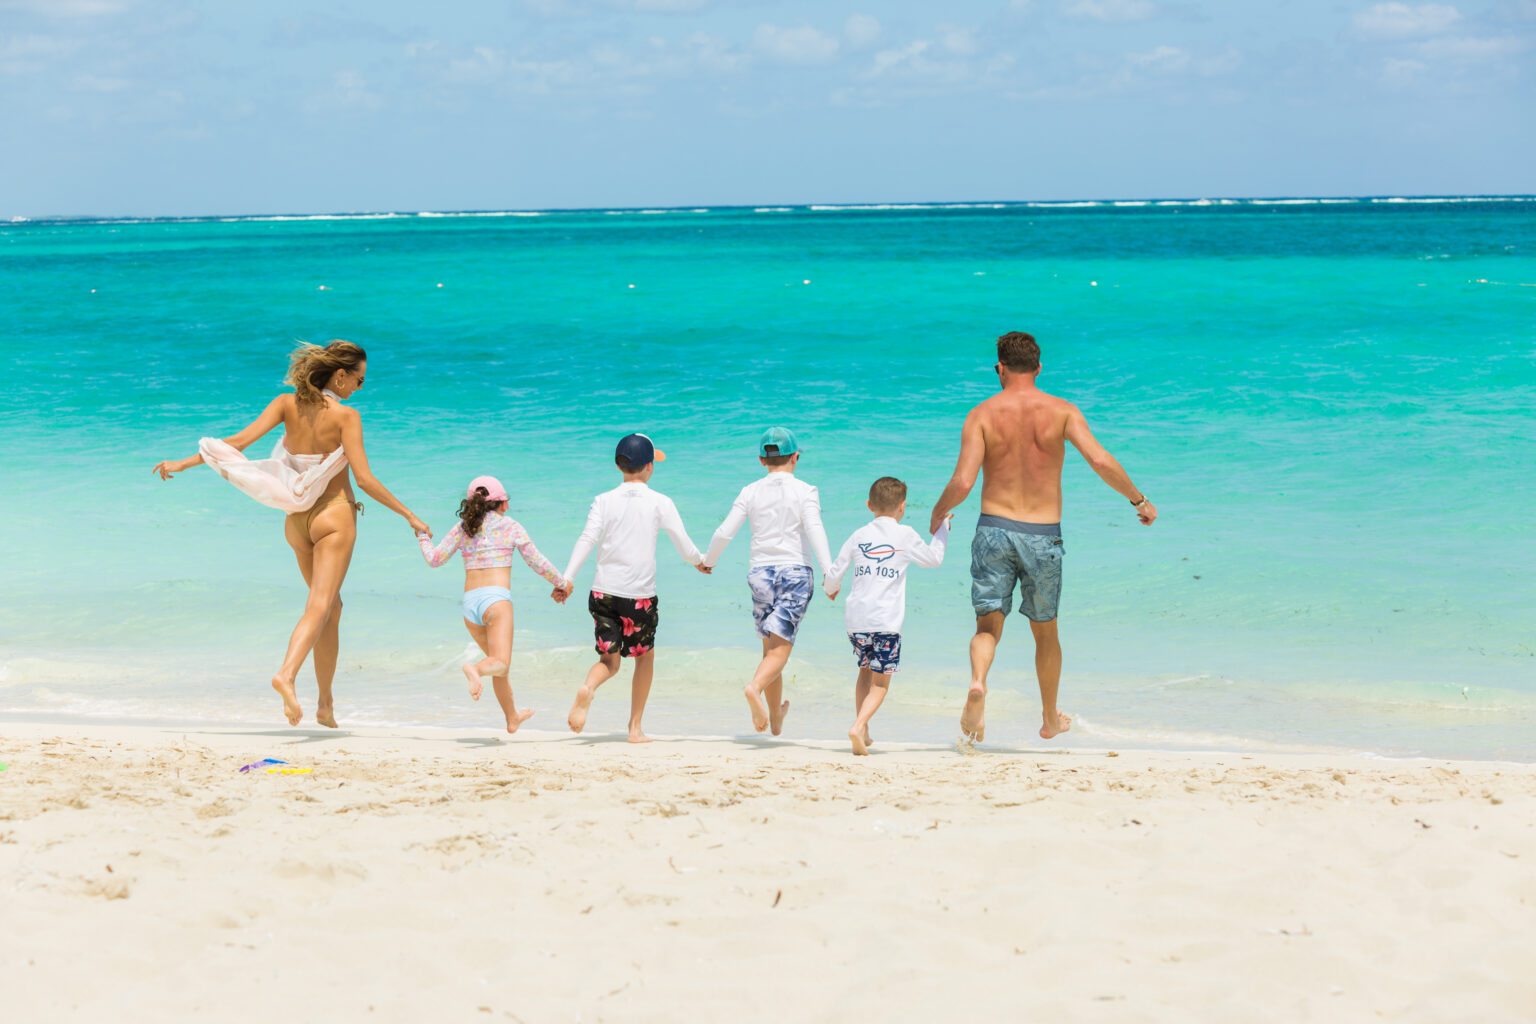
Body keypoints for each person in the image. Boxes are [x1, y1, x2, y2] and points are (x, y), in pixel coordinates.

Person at [152, 340, 430, 727]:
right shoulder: (347, 416)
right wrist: (410, 515)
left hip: (296, 520)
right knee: (320, 606)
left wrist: (184, 463)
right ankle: (286, 674)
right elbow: (364, 480)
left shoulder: (285, 404)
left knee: (331, 608)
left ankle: (326, 704)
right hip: (333, 516)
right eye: (359, 379)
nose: (360, 387)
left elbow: (234, 445)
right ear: (340, 375)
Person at [928, 331, 1158, 744]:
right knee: (1046, 631)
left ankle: (978, 682)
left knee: (987, 625)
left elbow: (963, 481)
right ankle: (1050, 718)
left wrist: (937, 511)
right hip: (1043, 535)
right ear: (1038, 367)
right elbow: (1100, 460)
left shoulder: (981, 414)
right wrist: (1138, 500)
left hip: (993, 529)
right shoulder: (1062, 411)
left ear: (999, 368)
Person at [561, 433, 709, 744]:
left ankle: (588, 687)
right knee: (644, 657)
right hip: (639, 596)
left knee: (609, 662)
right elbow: (683, 544)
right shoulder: (661, 502)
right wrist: (699, 561)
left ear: (619, 466)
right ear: (650, 466)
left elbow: (587, 539)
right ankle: (635, 728)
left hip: (602, 593)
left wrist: (568, 578)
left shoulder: (603, 500)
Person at [701, 427, 834, 735]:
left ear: (761, 460)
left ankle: (775, 718)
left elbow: (724, 532)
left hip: (760, 574)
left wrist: (709, 560)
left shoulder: (750, 491)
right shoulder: (806, 490)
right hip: (795, 573)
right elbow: (815, 529)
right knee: (780, 651)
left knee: (770, 650)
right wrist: (829, 573)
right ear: (795, 457)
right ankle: (754, 688)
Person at [416, 475, 573, 734]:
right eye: (505, 502)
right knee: (500, 662)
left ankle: (512, 718)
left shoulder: (462, 527)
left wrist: (422, 535)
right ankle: (474, 669)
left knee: (498, 666)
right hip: (496, 602)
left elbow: (434, 559)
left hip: (470, 606)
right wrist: (562, 583)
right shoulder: (510, 526)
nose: (508, 507)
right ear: (500, 503)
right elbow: (537, 561)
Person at [825, 477, 949, 755]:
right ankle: (858, 726)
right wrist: (943, 529)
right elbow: (934, 559)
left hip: (856, 622)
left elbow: (836, 570)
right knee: (881, 683)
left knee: (864, 669)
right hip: (885, 624)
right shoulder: (905, 535)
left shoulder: (859, 535)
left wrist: (830, 589)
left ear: (869, 505)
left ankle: (864, 730)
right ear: (902, 507)